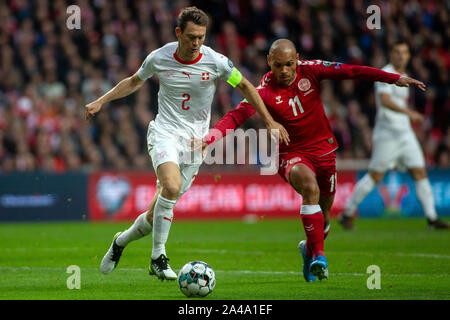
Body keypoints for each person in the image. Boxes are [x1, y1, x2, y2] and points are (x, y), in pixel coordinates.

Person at [85, 7, 289, 281]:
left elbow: (245, 87)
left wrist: (267, 121)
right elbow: (134, 81)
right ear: (178, 33)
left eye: (201, 37)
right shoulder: (160, 57)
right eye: (191, 37)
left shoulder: (215, 61)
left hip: (196, 143)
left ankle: (120, 241)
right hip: (165, 132)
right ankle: (158, 257)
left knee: (153, 214)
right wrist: (101, 100)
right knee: (171, 185)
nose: (196, 43)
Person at [201, 39, 426, 282]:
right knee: (310, 188)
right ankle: (319, 256)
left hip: (324, 151)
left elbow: (352, 71)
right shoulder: (263, 91)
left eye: (289, 64)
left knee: (325, 214)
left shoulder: (312, 70)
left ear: (297, 58)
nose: (284, 71)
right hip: (291, 154)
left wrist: (393, 78)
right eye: (278, 65)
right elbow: (236, 116)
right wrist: (210, 138)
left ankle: (308, 250)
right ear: (269, 62)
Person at [338, 41, 449, 230]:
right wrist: (409, 113)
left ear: (408, 56)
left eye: (404, 52)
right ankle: (347, 213)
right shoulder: (386, 73)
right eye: (397, 52)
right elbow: (385, 101)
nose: (401, 56)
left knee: (420, 172)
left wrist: (409, 116)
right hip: (387, 135)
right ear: (391, 54)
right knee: (375, 176)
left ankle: (432, 218)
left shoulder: (405, 76)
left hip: (405, 134)